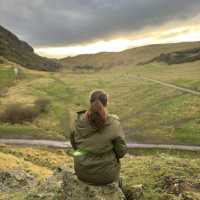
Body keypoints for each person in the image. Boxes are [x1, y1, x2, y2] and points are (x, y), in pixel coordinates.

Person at [70, 90, 127, 185]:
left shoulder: (78, 121)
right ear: (106, 103)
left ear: (90, 102)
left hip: (82, 173)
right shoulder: (114, 123)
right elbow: (121, 152)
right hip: (106, 176)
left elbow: (75, 146)